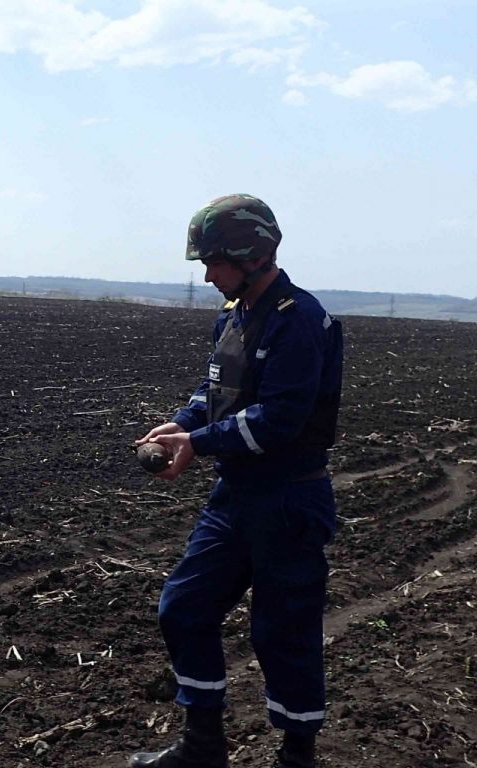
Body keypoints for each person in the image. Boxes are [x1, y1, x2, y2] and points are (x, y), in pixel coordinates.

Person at [130, 194, 343, 768]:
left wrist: (196, 445)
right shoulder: (233, 317)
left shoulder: (298, 320)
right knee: (183, 607)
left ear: (253, 252)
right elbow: (216, 392)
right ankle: (202, 747)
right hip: (234, 499)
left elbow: (279, 420)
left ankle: (296, 758)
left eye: (215, 260)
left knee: (282, 634)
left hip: (289, 499)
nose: (207, 274)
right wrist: (184, 423)